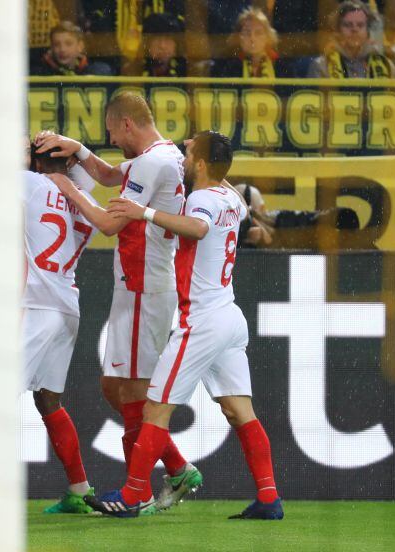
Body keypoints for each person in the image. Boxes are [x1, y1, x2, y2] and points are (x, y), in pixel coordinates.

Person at [78, 131, 283, 520]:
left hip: (202, 321)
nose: (183, 160)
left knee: (154, 407)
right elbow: (231, 201)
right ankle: (269, 497)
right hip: (230, 317)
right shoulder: (232, 201)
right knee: (240, 411)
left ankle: (133, 494)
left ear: (202, 165)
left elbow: (200, 228)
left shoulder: (203, 200)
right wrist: (212, 159)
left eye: (189, 155)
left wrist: (144, 213)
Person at [36, 92, 199, 513]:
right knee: (116, 387)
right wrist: (80, 150)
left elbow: (109, 223)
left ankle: (138, 492)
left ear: (127, 124)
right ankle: (177, 468)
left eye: (111, 131)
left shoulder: (153, 162)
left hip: (147, 287)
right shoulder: (161, 156)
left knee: (134, 391)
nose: (112, 139)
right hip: (136, 286)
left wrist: (66, 185)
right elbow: (110, 176)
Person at [22, 144, 96, 514]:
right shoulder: (83, 196)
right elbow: (86, 171)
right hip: (67, 303)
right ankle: (80, 488)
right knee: (48, 400)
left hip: (34, 305)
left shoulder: (29, 184)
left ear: (35, 162)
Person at [307, 0, 395, 78]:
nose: (354, 29)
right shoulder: (321, 66)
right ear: (338, 31)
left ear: (368, 32)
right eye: (348, 25)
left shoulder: (387, 67)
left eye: (360, 25)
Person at [211, 7, 294, 79]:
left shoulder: (282, 67)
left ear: (267, 37)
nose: (252, 38)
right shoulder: (224, 66)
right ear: (238, 37)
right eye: (247, 33)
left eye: (258, 33)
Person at [31, 21, 112, 76]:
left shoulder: (95, 71)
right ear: (51, 47)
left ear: (80, 47)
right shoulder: (40, 73)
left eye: (68, 44)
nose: (62, 49)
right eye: (56, 44)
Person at [122, 13, 186, 77]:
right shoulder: (130, 73)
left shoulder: (187, 74)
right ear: (147, 44)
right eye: (157, 39)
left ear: (176, 45)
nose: (162, 46)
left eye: (167, 39)